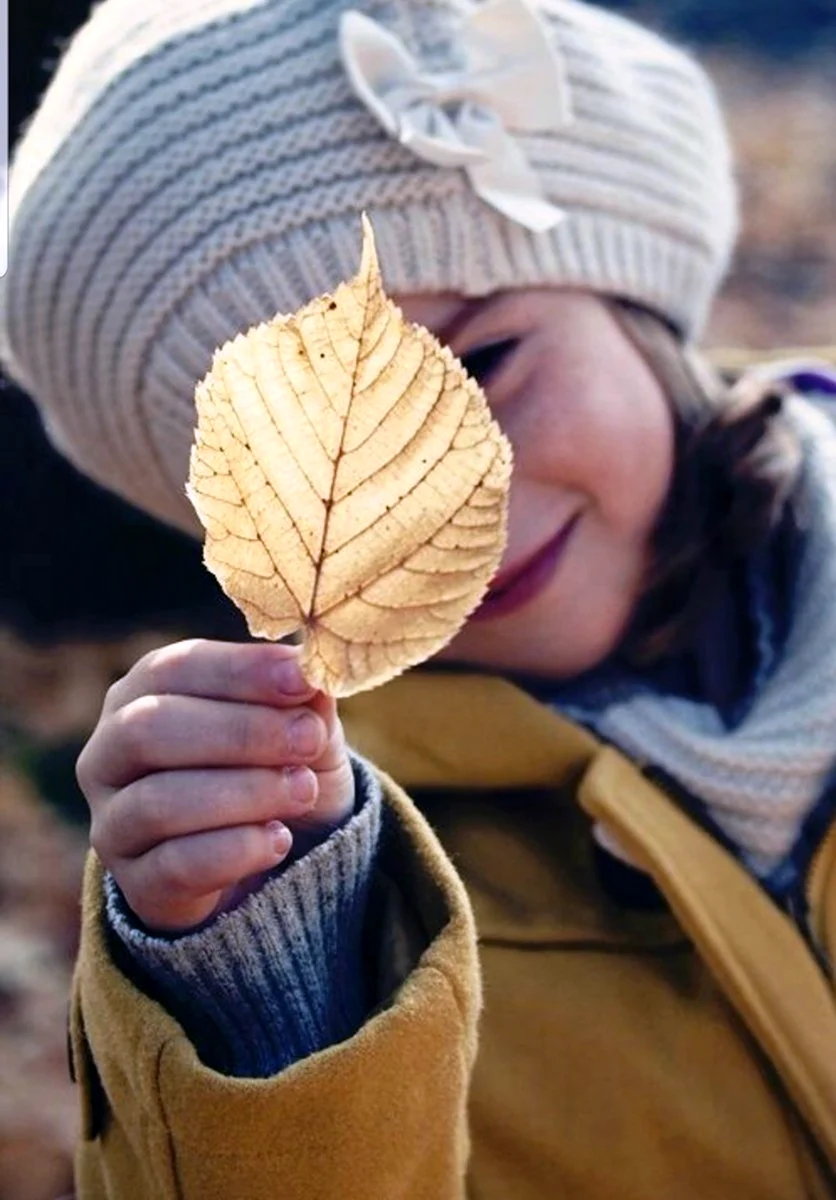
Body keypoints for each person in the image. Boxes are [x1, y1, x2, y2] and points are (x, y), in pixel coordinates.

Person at [3, 0, 836, 1196]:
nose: (439, 508)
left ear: (630, 293)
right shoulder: (335, 893)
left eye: (483, 363)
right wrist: (268, 989)